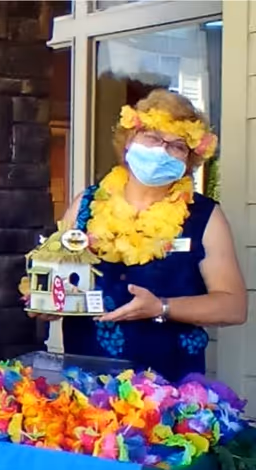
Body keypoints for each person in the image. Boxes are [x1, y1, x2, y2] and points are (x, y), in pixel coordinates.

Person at [32, 89, 246, 382]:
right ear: (129, 140)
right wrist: (46, 303)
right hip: (86, 388)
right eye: (153, 137)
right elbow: (58, 279)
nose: (162, 150)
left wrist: (162, 307)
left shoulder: (205, 216)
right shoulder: (86, 205)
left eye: (177, 145)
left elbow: (233, 307)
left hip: (168, 395)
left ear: (189, 159)